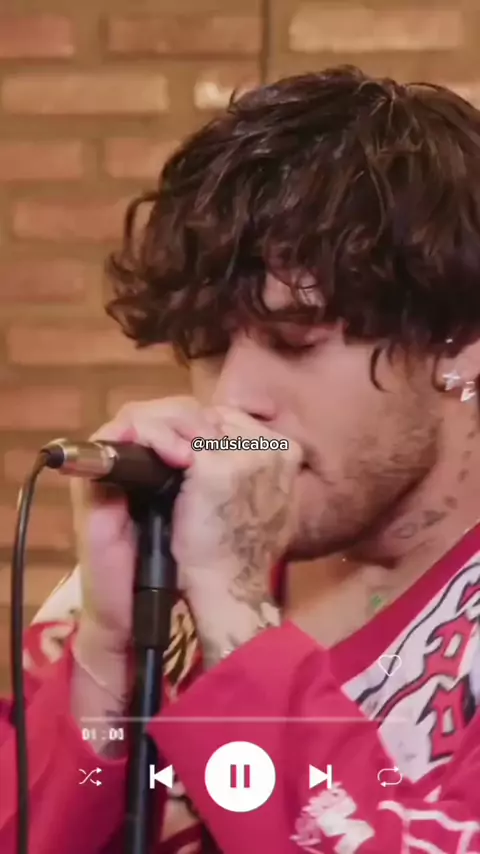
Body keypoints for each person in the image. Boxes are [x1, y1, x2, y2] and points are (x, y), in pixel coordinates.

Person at [1, 63, 480, 853]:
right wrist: (109, 655)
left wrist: (235, 615)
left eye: (295, 341)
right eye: (208, 346)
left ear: (459, 344)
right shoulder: (160, 563)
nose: (234, 395)